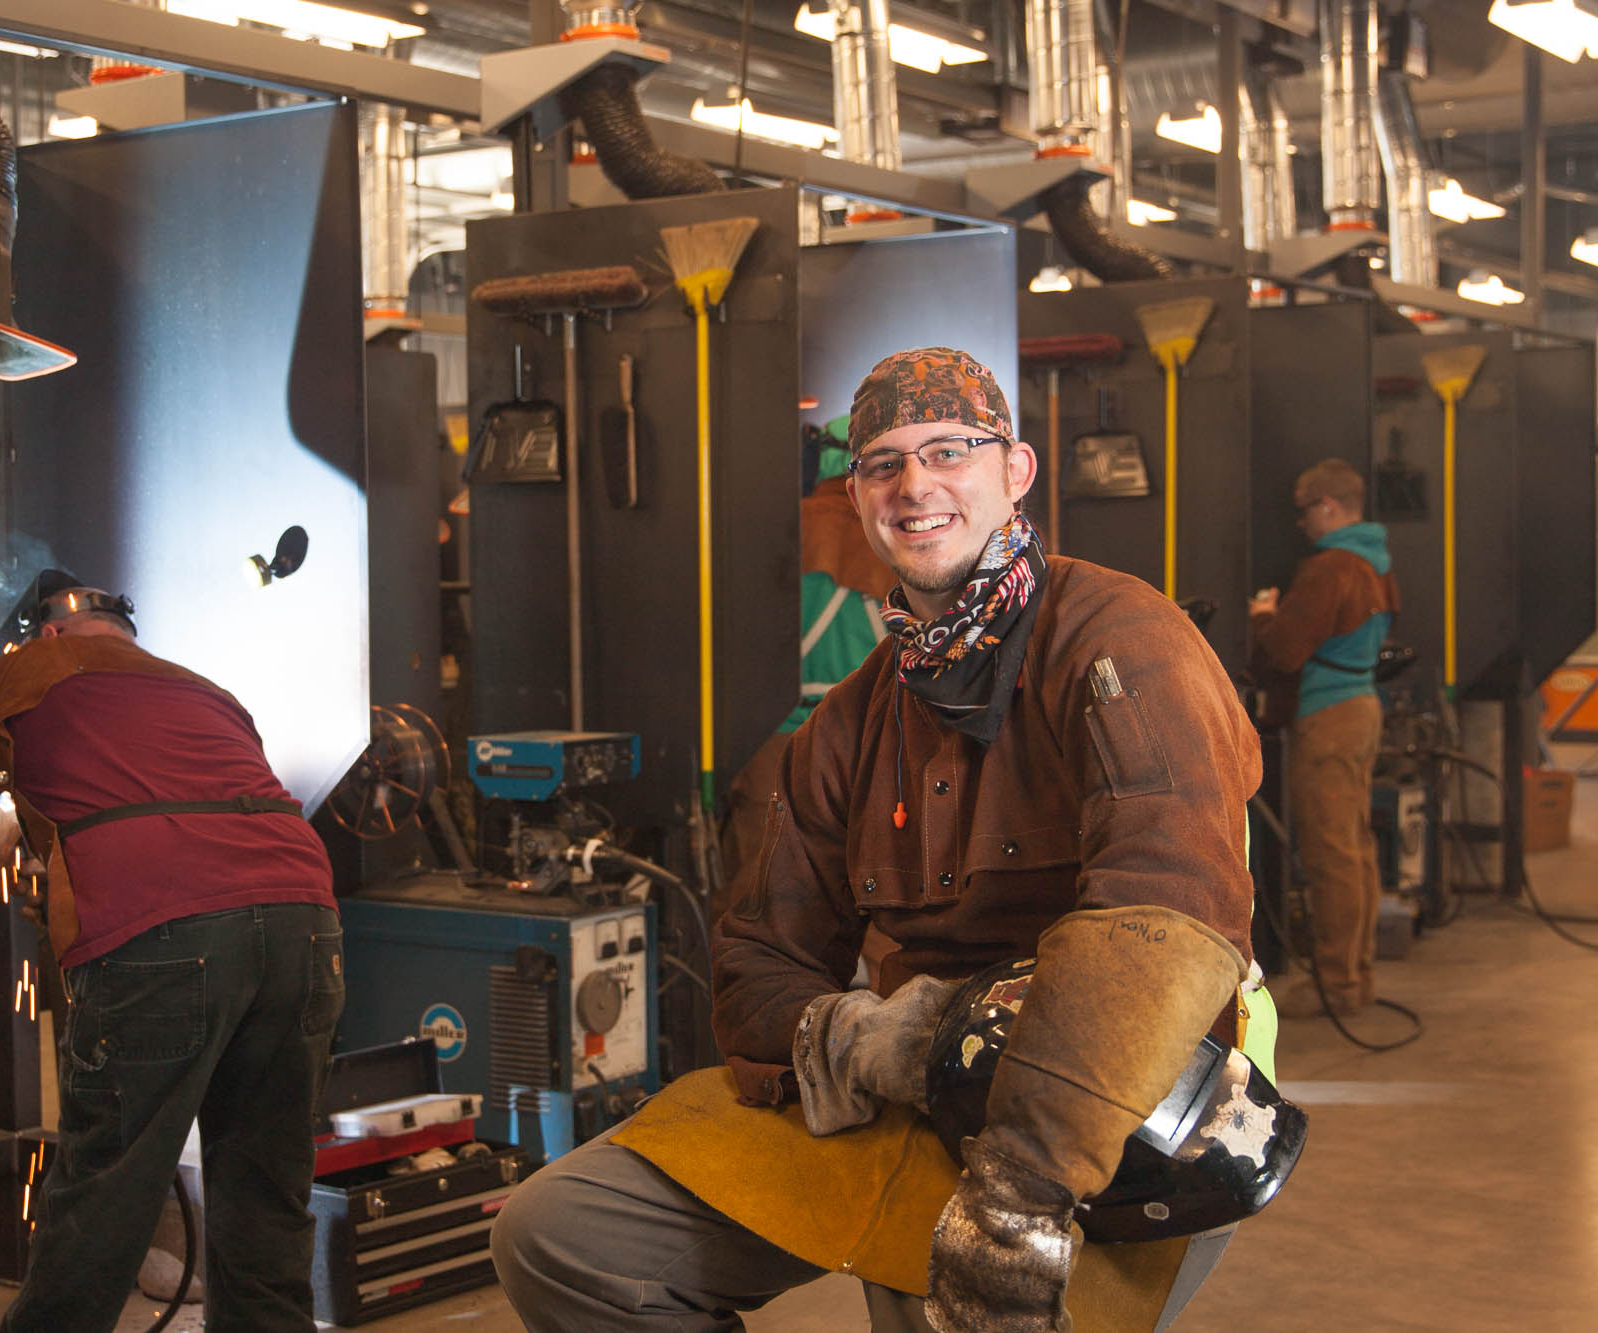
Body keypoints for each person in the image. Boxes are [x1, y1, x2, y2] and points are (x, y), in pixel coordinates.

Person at [490, 347, 1263, 1332]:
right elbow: (756, 966)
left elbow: (1165, 922)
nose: (914, 484)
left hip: (1117, 1119)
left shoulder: (1116, 640)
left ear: (1013, 471)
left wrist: (1017, 1198)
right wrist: (860, 1038)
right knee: (563, 1228)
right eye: (883, 464)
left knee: (946, 1285)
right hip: (923, 1103)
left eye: (947, 450)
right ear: (855, 498)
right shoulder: (852, 721)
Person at [0, 575, 343, 1332]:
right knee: (268, 1199)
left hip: (163, 929)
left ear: (47, 633)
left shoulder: (25, 668)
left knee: (104, 1200)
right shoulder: (204, 690)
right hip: (308, 920)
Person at [720, 415, 894, 908]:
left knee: (761, 906)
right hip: (874, 747)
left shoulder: (775, 532)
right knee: (885, 906)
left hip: (772, 747)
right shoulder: (901, 532)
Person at [1249, 459, 1398, 1018]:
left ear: (1329, 507)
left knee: (1331, 852)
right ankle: (1355, 977)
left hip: (1328, 715)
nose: (1301, 522)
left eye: (1305, 510)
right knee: (1354, 848)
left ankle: (1336, 988)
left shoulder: (1331, 567)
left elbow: (1284, 650)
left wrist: (1264, 616)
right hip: (1361, 707)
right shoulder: (1376, 562)